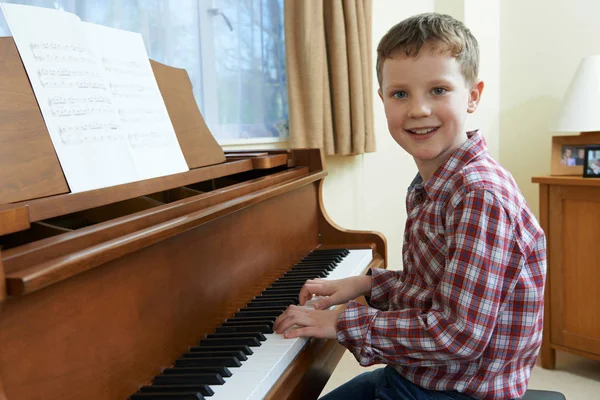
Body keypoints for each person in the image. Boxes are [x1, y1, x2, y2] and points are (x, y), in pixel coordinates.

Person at [274, 12, 546, 400]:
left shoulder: (480, 196)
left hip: (457, 391)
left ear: (472, 95)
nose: (418, 109)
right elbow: (433, 286)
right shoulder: (433, 183)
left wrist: (339, 323)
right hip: (419, 377)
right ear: (382, 100)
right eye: (401, 94)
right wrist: (366, 283)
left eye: (438, 90)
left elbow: (458, 336)